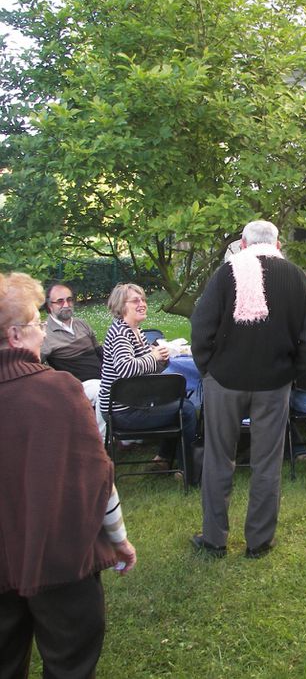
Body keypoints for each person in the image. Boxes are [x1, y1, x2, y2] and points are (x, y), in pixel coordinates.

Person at [0, 272, 136, 678]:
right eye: (36, 325)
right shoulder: (59, 390)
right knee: (69, 665)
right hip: (60, 561)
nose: (43, 334)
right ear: (14, 337)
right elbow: (97, 476)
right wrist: (119, 539)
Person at [191, 220, 306, 559]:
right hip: (273, 382)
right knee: (267, 463)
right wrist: (291, 371)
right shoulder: (295, 276)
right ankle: (259, 542)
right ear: (278, 245)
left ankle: (214, 538)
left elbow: (201, 328)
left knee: (218, 458)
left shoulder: (225, 274)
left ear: (243, 244)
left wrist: (208, 369)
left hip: (224, 381)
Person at [99, 283, 197, 476]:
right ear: (121, 306)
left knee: (178, 402)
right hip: (122, 411)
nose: (142, 304)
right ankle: (188, 471)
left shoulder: (136, 331)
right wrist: (154, 357)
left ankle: (163, 459)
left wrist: (163, 359)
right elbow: (126, 369)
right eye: (135, 301)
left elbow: (148, 370)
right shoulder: (121, 333)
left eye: (143, 299)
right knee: (186, 410)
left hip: (134, 402)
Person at [41, 281, 107, 436]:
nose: (66, 304)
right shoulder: (45, 333)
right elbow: (34, 364)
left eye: (69, 300)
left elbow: (100, 353)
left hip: (102, 376)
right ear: (49, 306)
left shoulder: (81, 324)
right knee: (104, 392)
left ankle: (130, 437)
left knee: (128, 383)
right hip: (78, 385)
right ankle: (102, 442)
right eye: (60, 301)